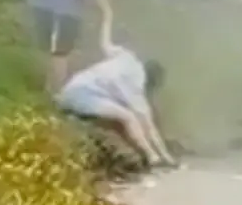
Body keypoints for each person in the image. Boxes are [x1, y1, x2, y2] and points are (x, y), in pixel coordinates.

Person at [57, 23, 177, 169]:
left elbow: (105, 44)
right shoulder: (136, 87)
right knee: (129, 117)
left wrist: (107, 14)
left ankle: (143, 156)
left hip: (70, 89)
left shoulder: (127, 57)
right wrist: (168, 157)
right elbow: (150, 127)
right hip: (83, 96)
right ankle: (153, 157)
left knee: (120, 122)